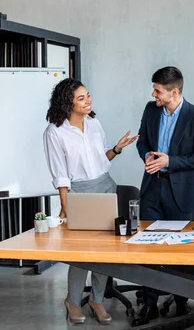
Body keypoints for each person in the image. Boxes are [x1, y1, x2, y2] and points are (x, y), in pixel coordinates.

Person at [43, 78, 138, 325]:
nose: (88, 101)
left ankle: (97, 299)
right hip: (79, 193)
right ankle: (73, 302)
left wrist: (116, 149)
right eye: (82, 98)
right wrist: (66, 206)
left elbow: (103, 158)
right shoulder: (55, 132)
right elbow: (61, 175)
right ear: (68, 102)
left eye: (88, 95)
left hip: (106, 186)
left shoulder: (94, 123)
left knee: (106, 252)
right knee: (81, 253)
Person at [133, 66, 194, 327]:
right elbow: (142, 141)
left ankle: (182, 299)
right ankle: (149, 304)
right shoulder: (150, 109)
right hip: (152, 189)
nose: (153, 94)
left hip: (183, 191)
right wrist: (147, 154)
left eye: (158, 90)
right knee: (149, 247)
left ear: (174, 92)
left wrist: (170, 161)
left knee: (180, 250)